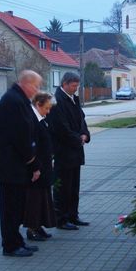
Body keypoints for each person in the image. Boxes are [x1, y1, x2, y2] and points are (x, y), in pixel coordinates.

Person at [0, 70, 42, 257]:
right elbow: (21, 138)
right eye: (36, 86)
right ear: (25, 83)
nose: (37, 90)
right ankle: (10, 246)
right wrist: (33, 164)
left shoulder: (18, 99)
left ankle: (17, 241)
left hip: (15, 165)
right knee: (10, 208)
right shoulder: (13, 101)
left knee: (17, 206)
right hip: (10, 166)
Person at [47, 72, 90, 230]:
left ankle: (73, 215)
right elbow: (60, 128)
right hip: (63, 151)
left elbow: (81, 119)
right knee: (62, 188)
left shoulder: (74, 98)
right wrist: (78, 139)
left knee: (73, 186)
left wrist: (85, 134)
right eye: (73, 86)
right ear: (64, 84)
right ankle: (61, 218)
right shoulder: (56, 101)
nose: (76, 88)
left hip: (75, 151)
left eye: (77, 85)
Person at [24, 92, 56, 241]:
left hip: (44, 165)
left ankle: (39, 225)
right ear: (38, 105)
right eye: (47, 108)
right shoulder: (31, 120)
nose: (48, 112)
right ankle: (31, 229)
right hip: (36, 167)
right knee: (34, 200)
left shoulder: (41, 119)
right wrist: (35, 167)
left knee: (43, 198)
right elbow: (30, 147)